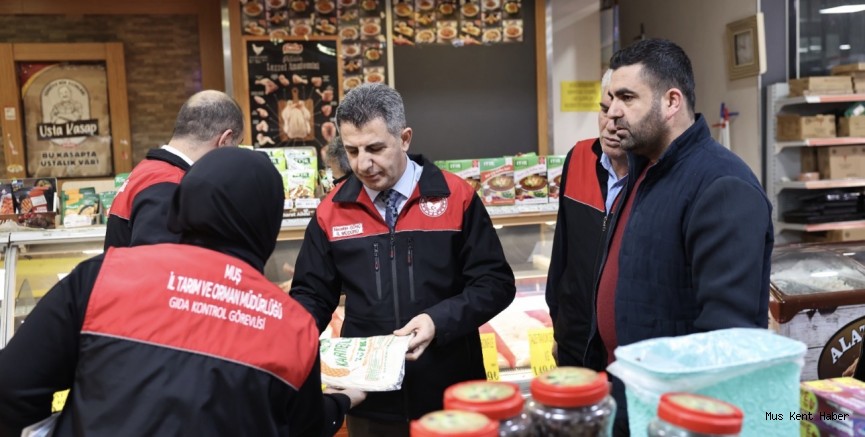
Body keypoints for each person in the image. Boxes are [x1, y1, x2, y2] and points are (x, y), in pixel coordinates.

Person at [0, 148, 364, 437]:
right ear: (267, 226)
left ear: (182, 202)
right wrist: (343, 402)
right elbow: (303, 427)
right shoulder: (293, 327)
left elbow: (11, 386)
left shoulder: (102, 278)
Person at [290, 83, 516, 437]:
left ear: (405, 138)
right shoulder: (330, 211)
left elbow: (495, 284)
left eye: (376, 148)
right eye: (352, 150)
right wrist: (290, 341)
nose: (363, 163)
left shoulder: (457, 198)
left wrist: (437, 320)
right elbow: (313, 294)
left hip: (451, 393)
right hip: (369, 399)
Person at [586, 38, 773, 435]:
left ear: (671, 101)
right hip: (628, 397)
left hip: (671, 414)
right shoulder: (645, 169)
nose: (612, 113)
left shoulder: (722, 185)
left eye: (627, 98)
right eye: (610, 99)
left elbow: (726, 336)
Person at [546, 69, 628, 367]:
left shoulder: (654, 175)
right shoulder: (579, 156)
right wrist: (558, 327)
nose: (609, 124)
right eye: (604, 110)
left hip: (628, 353)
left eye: (620, 115)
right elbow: (561, 253)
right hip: (574, 341)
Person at [104, 89, 243, 249]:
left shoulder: (148, 170)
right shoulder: (171, 186)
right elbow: (162, 268)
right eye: (237, 145)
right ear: (224, 140)